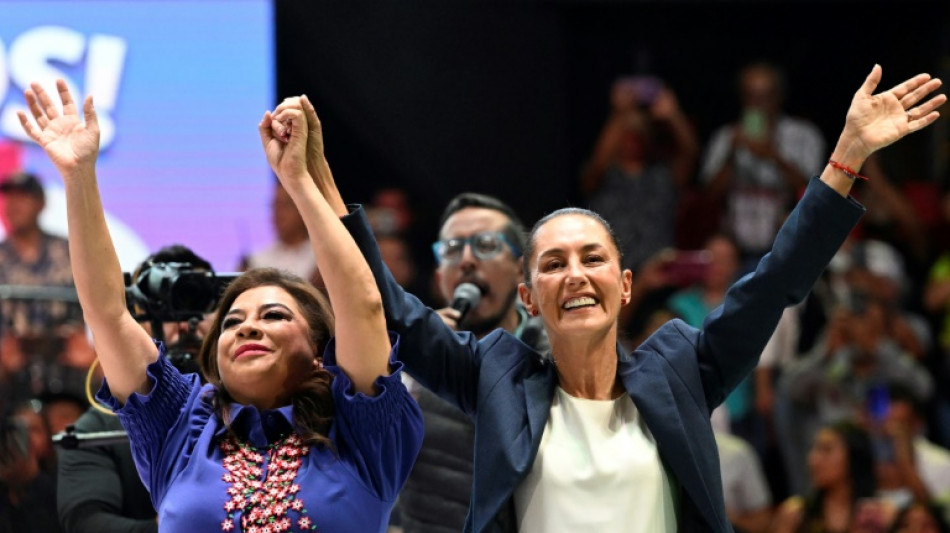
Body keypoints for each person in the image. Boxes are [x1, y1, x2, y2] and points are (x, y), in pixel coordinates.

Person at [303, 65, 944, 531]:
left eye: (593, 258)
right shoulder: (494, 374)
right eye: (553, 263)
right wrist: (319, 185)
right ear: (528, 295)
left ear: (626, 284)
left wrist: (848, 154)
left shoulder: (681, 370)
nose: (576, 274)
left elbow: (775, 279)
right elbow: (389, 309)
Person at [17, 80, 423, 532]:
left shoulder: (360, 434)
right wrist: (78, 178)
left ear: (319, 352)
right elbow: (109, 314)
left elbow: (364, 306)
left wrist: (298, 183)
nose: (248, 328)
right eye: (232, 321)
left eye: (274, 315)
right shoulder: (180, 427)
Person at [396, 192, 550, 533]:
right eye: (452, 248)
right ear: (439, 279)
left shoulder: (557, 358)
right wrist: (411, 369)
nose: (466, 259)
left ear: (520, 270)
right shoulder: (403, 365)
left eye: (485, 244)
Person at [57, 244, 213, 533]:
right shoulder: (95, 428)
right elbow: (85, 521)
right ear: (133, 321)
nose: (184, 324)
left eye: (199, 303)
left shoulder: (253, 409)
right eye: (165, 307)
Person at [700, 61, 826, 269]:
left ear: (779, 97)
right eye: (750, 96)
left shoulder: (804, 135)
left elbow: (815, 191)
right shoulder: (726, 137)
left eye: (765, 96)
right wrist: (731, 154)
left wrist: (774, 156)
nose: (757, 104)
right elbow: (709, 194)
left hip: (789, 248)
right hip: (736, 252)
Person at [580, 75, 699, 273]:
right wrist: (620, 114)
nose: (633, 140)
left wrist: (673, 115)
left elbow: (690, 155)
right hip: (610, 271)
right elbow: (598, 162)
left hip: (656, 276)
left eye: (639, 134)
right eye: (628, 135)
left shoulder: (661, 175)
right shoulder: (604, 176)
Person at [0, 171, 93, 406]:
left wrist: (87, 342)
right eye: (9, 198)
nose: (13, 205)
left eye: (23, 198)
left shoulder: (69, 251)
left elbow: (97, 301)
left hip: (68, 368)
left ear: (41, 204)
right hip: (11, 370)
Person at [772, 420, 888, 533]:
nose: (813, 460)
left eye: (826, 450)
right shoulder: (795, 515)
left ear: (853, 457)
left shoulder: (882, 515)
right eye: (814, 450)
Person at [239, 180, 320, 284]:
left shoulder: (320, 261)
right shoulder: (253, 261)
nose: (278, 213)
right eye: (275, 206)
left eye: (286, 205)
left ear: (303, 208)